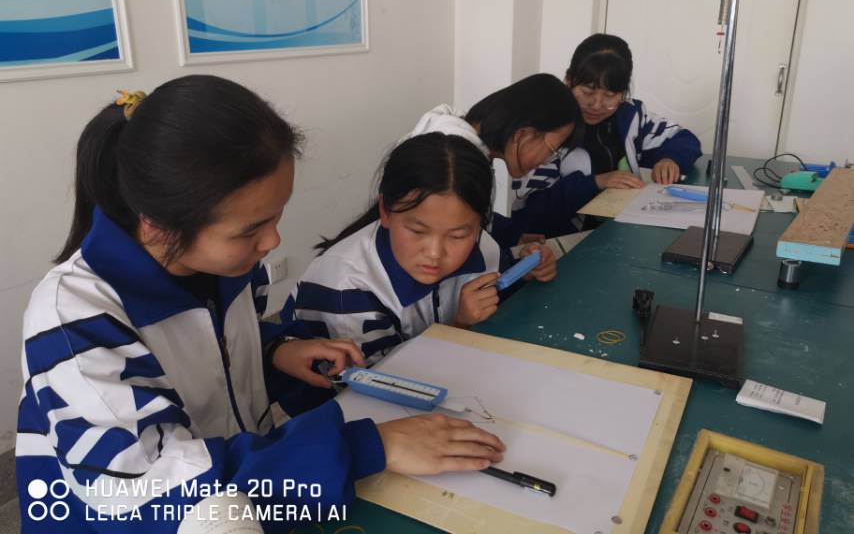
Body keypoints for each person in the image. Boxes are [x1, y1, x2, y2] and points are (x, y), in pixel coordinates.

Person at [16, 76, 506, 533]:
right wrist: (368, 447)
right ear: (159, 225)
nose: (273, 242)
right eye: (250, 229)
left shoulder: (224, 267)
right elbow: (155, 492)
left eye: (276, 217)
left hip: (252, 496)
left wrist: (274, 351)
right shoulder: (75, 319)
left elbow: (210, 349)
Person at [283, 132, 557, 367]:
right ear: (386, 212)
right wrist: (459, 327)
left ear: (479, 225)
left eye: (458, 235)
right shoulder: (348, 288)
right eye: (417, 231)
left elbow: (497, 283)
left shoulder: (482, 245)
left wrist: (525, 269)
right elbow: (379, 385)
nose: (435, 253)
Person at [509, 33, 703, 238]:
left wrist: (670, 159)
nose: (596, 105)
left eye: (610, 96)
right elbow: (533, 211)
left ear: (623, 93)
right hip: (553, 242)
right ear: (568, 81)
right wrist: (595, 182)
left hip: (619, 233)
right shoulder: (548, 127)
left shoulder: (629, 115)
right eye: (587, 92)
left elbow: (684, 139)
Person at [407, 73, 581, 246]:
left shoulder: (470, 143)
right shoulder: (453, 162)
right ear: (523, 134)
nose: (546, 161)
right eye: (552, 150)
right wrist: (508, 258)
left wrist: (511, 236)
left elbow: (466, 218)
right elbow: (446, 248)